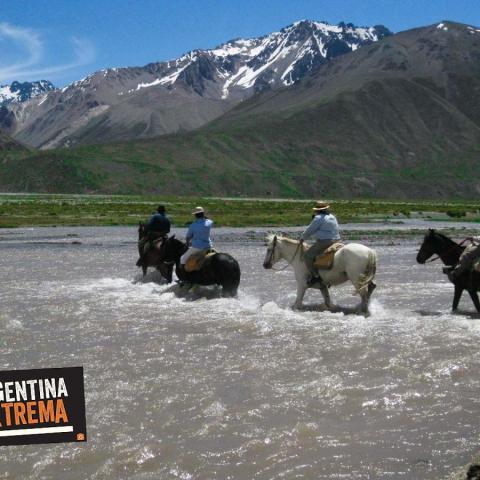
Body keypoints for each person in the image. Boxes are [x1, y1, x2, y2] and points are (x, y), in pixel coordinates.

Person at [299, 201, 341, 286]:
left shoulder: (318, 218)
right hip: (337, 240)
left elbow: (310, 230)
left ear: (318, 210)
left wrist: (302, 238)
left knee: (308, 256)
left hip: (325, 242)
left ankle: (316, 277)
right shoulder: (332, 216)